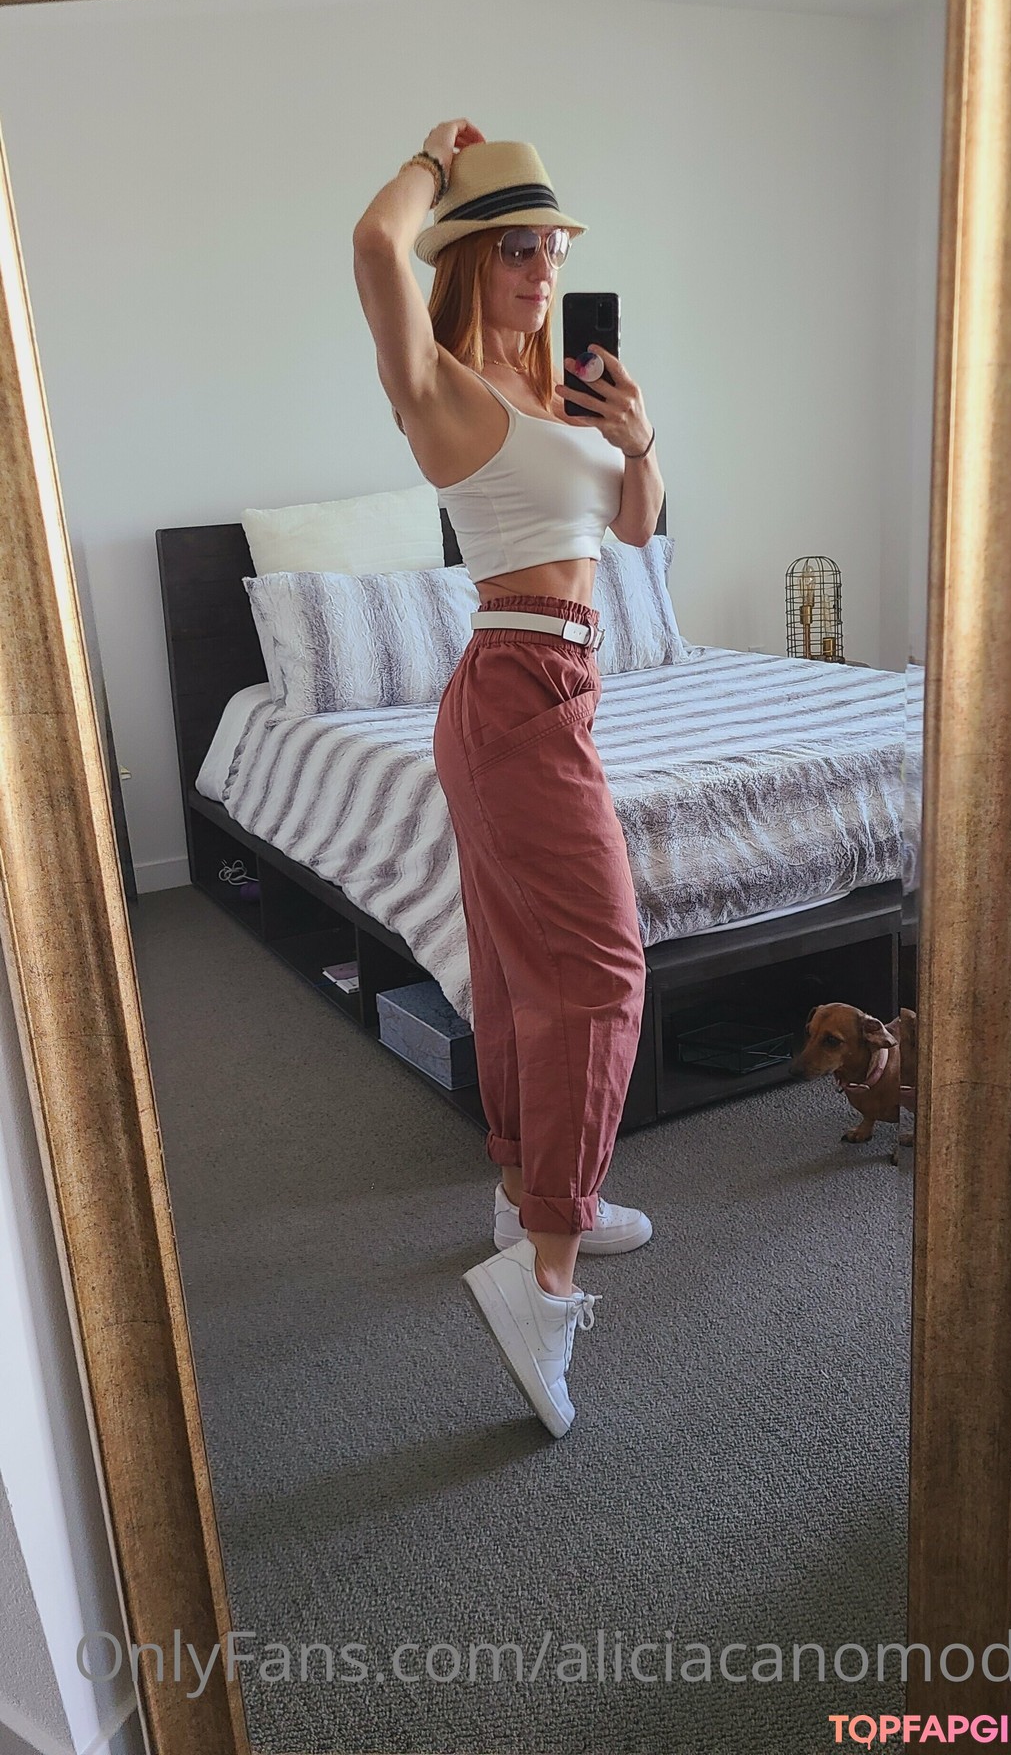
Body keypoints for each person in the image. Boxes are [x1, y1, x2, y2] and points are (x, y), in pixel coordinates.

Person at [352, 122, 665, 1438]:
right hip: (513, 687)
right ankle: (544, 1280)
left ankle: (527, 1192)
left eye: (552, 248)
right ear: (471, 259)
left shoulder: (560, 396)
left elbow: (633, 531)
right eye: (517, 248)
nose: (542, 270)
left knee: (525, 960)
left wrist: (638, 439)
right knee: (602, 972)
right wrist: (431, 164)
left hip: (562, 684)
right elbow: (375, 246)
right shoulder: (444, 391)